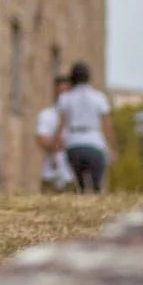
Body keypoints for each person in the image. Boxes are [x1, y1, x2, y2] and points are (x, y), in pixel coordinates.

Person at [46, 61, 113, 193]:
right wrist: (111, 147)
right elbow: (107, 125)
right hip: (95, 142)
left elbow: (62, 125)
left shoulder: (66, 98)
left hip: (74, 142)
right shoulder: (99, 97)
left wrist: (54, 148)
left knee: (80, 186)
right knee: (96, 185)